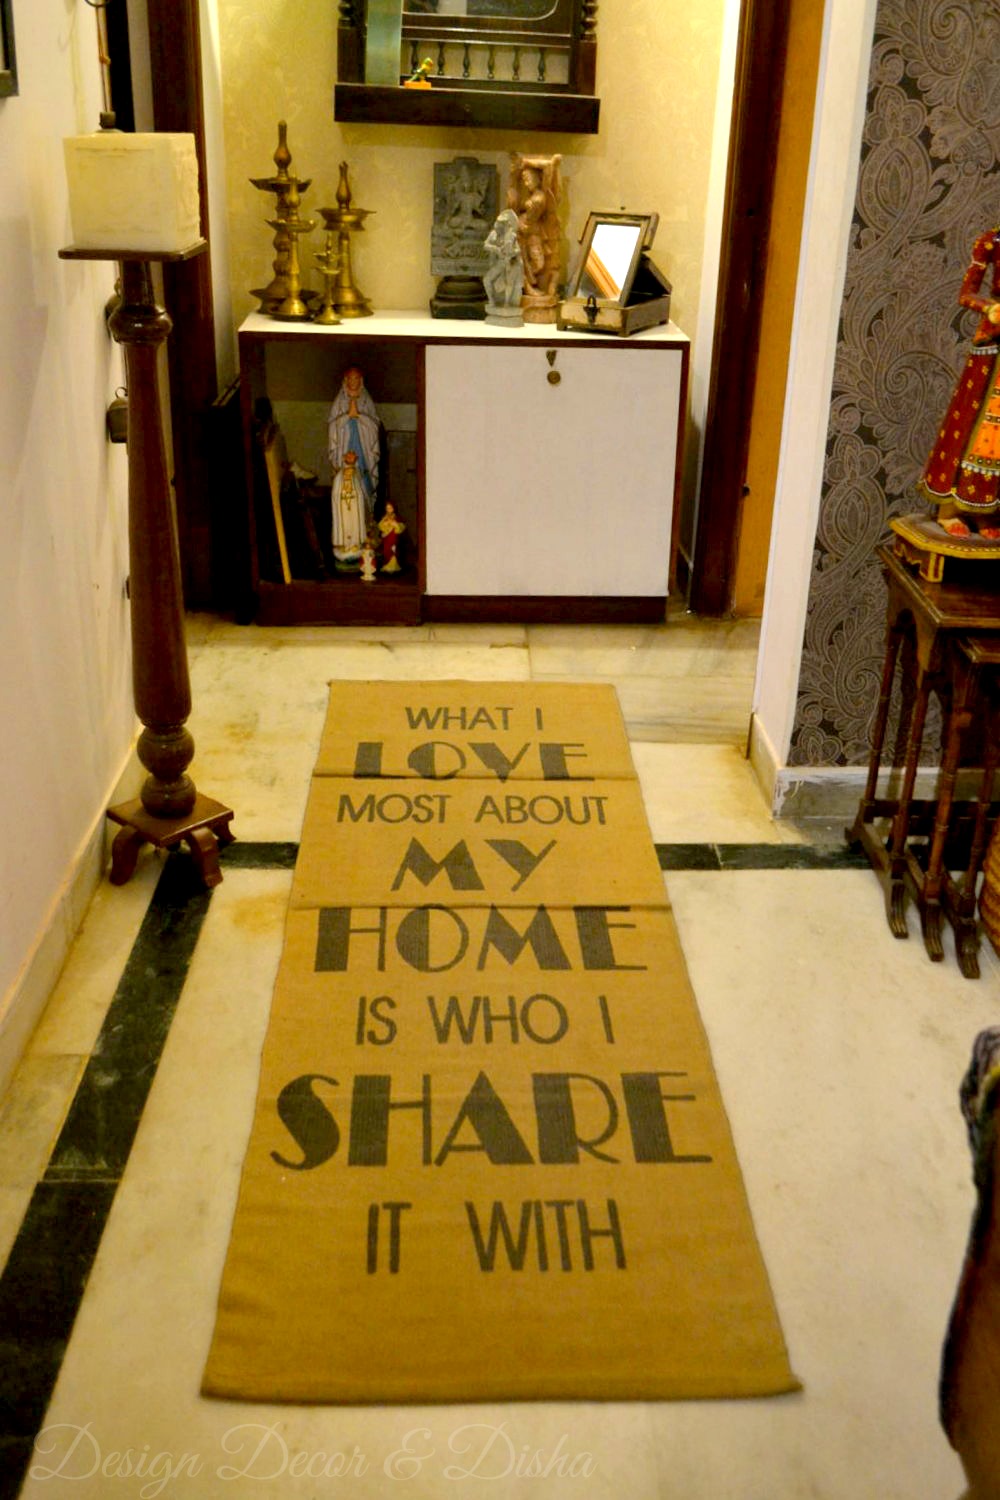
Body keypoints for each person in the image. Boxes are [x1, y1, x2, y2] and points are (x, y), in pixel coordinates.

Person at [919, 228, 1000, 539]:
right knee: (971, 422)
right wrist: (989, 308)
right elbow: (966, 293)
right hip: (992, 340)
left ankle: (983, 507)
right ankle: (950, 509)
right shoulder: (991, 240)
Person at [328, 367, 380, 563]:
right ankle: (347, 538)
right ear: (345, 380)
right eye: (350, 378)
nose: (353, 381)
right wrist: (346, 417)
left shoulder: (366, 400)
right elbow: (332, 426)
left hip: (363, 451)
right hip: (345, 446)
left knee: (364, 488)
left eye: (357, 378)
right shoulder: (339, 401)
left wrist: (358, 415)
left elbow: (374, 425)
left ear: (361, 380)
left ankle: (366, 531)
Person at [331, 451, 367, 570]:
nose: (351, 459)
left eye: (353, 457)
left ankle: (355, 545)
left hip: (355, 507)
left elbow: (360, 491)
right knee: (345, 525)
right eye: (348, 456)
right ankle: (345, 546)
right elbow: (336, 494)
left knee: (355, 524)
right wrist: (342, 497)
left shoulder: (356, 474)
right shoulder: (339, 476)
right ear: (344, 458)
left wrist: (356, 498)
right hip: (343, 507)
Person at [483, 208, 523, 311]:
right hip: (499, 263)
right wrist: (495, 249)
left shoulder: (511, 236)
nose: (498, 226)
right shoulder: (493, 234)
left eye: (502, 224)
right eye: (498, 223)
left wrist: (512, 253)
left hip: (509, 262)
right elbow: (485, 245)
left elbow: (518, 250)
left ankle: (507, 302)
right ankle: (492, 301)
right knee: (487, 280)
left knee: (509, 282)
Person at [378, 502, 406, 572]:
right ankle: (386, 566)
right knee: (386, 550)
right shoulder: (385, 517)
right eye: (387, 508)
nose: (389, 510)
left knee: (393, 550)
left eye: (390, 508)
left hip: (394, 536)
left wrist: (395, 524)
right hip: (386, 537)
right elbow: (380, 526)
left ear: (393, 508)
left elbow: (401, 527)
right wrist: (385, 524)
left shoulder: (397, 517)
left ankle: (394, 567)